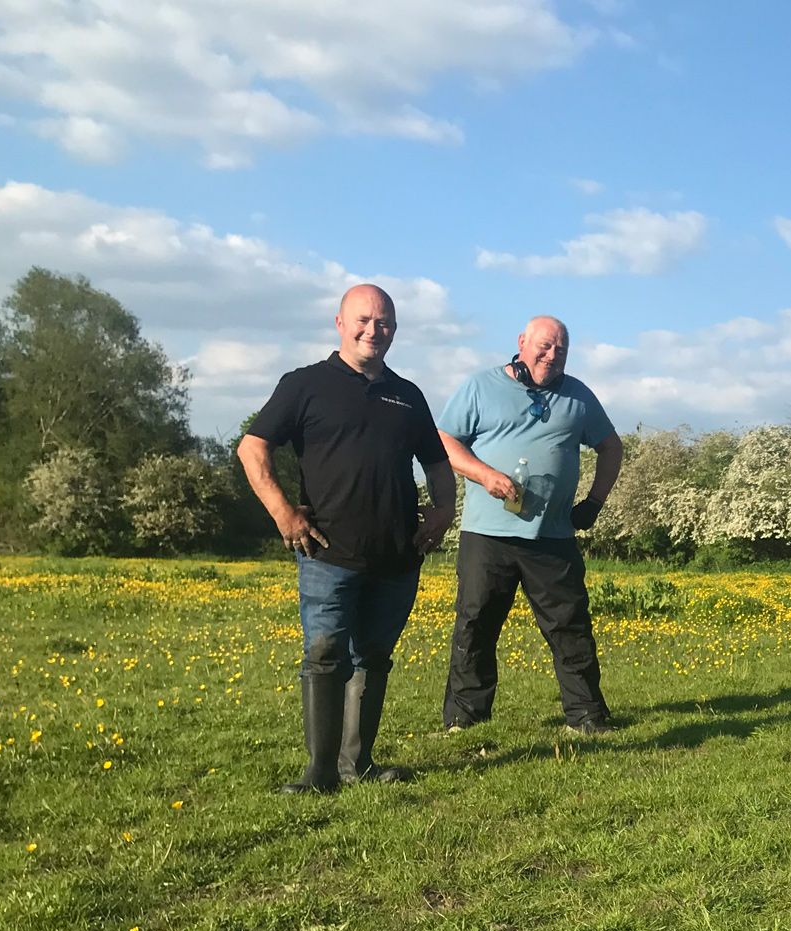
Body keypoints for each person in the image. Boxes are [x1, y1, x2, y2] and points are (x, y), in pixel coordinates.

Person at [238, 283, 455, 794]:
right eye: (362, 320)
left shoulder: (408, 394)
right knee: (325, 656)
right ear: (339, 323)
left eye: (383, 323)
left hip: (397, 556)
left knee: (373, 657)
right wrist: (283, 514)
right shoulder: (304, 385)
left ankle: (358, 764)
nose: (372, 331)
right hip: (326, 553)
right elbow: (253, 449)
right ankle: (319, 774)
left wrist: (442, 512)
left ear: (395, 331)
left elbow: (437, 462)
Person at [437, 316, 624, 736]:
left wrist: (594, 502)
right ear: (522, 343)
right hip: (488, 535)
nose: (552, 355)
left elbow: (611, 447)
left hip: (553, 536)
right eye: (544, 346)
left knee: (570, 626)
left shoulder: (578, 396)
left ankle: (587, 716)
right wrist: (484, 475)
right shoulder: (480, 387)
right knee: (476, 624)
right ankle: (465, 720)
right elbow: (445, 440)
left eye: (560, 350)